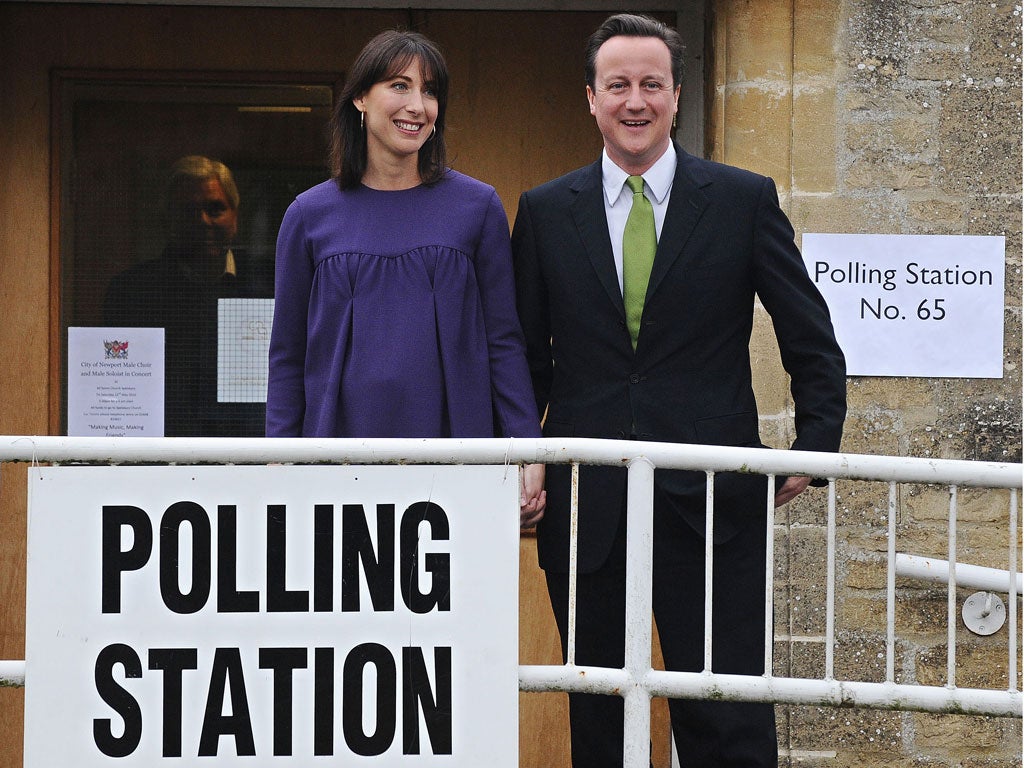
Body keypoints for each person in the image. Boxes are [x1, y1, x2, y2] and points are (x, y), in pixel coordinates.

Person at [512, 13, 846, 767]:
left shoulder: (741, 199)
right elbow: (526, 358)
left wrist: (815, 446)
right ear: (590, 99)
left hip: (715, 503)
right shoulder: (543, 212)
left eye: (651, 84)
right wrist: (521, 457)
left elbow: (810, 336)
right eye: (618, 84)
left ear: (677, 94)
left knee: (725, 714)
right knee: (597, 711)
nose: (636, 100)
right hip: (589, 509)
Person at [266, 29, 545, 525]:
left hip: (457, 459)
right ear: (359, 98)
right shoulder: (308, 216)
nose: (418, 105)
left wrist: (527, 448)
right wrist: (280, 460)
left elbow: (504, 340)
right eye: (399, 86)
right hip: (336, 459)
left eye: (430, 91)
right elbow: (288, 355)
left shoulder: (477, 208)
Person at [104, 154, 273, 437]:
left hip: (254, 452)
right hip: (159, 455)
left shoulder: (270, 286)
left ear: (235, 217)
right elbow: (116, 391)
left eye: (215, 208)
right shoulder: (132, 292)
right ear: (166, 220)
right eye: (187, 211)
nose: (203, 221)